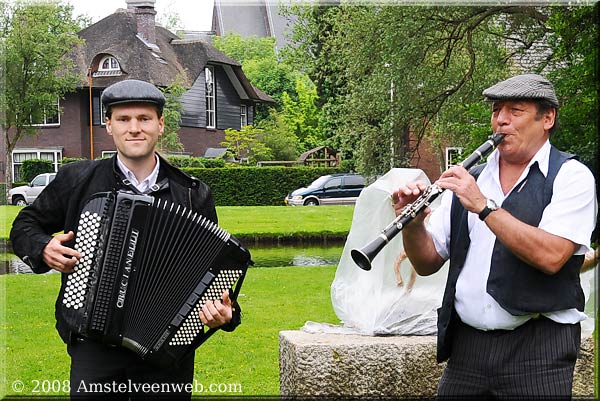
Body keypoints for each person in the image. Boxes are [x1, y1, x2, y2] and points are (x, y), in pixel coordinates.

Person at [10, 79, 241, 400]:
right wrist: (43, 247)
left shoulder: (192, 193)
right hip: (93, 343)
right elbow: (24, 225)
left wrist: (224, 312)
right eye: (123, 119)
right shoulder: (78, 179)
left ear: (160, 124)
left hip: (166, 350)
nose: (135, 128)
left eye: (144, 119)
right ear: (109, 125)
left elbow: (210, 272)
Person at [392, 73, 597, 399]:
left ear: (547, 118)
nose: (501, 120)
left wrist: (484, 207)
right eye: (496, 110)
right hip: (467, 350)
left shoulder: (572, 177)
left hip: (539, 350)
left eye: (515, 110)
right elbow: (428, 261)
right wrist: (413, 223)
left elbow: (552, 256)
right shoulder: (471, 178)